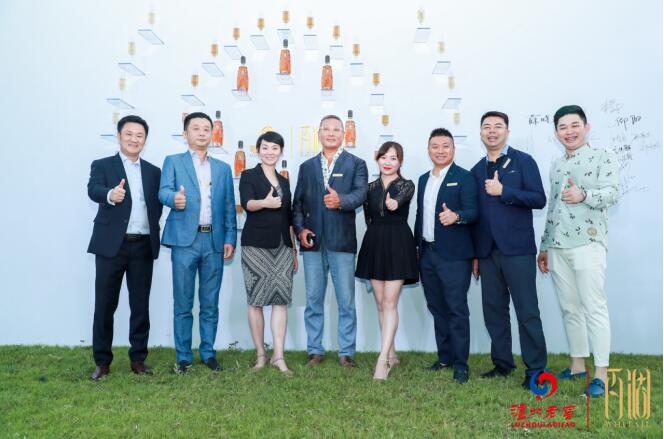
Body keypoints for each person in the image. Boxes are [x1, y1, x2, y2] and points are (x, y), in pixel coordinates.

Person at [538, 105, 620, 397]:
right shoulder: (557, 164)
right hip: (558, 247)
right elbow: (553, 207)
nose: (569, 132)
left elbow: (612, 193)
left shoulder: (603, 156)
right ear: (556, 133)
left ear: (587, 127)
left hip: (588, 243)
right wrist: (544, 246)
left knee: (594, 307)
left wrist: (584, 194)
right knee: (570, 308)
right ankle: (577, 366)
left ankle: (601, 374)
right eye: (563, 127)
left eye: (574, 125)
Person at [470, 111, 548, 389]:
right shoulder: (476, 170)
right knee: (494, 312)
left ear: (507, 131)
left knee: (527, 311)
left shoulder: (523, 161)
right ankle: (502, 364)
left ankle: (536, 369)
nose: (492, 131)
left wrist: (504, 191)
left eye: (498, 126)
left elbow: (539, 199)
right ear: (480, 133)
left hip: (517, 250)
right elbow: (476, 216)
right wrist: (475, 255)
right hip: (487, 253)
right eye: (487, 127)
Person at [159, 112, 237, 374]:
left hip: (213, 241)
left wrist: (230, 238)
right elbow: (163, 191)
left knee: (209, 303)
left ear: (212, 134)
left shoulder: (223, 169)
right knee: (183, 303)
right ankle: (183, 357)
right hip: (184, 242)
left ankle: (208, 353)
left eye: (206, 128)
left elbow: (229, 206)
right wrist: (174, 199)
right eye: (196, 128)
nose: (202, 132)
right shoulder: (173, 162)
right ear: (185, 134)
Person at [87, 115, 163, 380]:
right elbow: (93, 189)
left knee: (140, 306)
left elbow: (156, 206)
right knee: (105, 305)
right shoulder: (102, 165)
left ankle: (138, 359)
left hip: (142, 246)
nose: (134, 139)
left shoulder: (154, 171)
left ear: (145, 139)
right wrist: (110, 194)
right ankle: (102, 362)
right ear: (119, 136)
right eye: (129, 134)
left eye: (139, 135)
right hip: (112, 246)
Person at [292, 114, 368, 368]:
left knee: (346, 301)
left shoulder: (356, 164)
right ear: (319, 134)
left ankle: (346, 352)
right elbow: (298, 204)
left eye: (336, 129)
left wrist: (341, 201)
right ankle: (315, 350)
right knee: (313, 300)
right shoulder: (307, 167)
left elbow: (361, 194)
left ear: (343, 134)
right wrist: (300, 230)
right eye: (326, 129)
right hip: (312, 243)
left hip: (342, 242)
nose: (331, 133)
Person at [414, 128, 478, 384]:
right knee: (437, 307)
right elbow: (420, 216)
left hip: (454, 256)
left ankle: (461, 364)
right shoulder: (423, 179)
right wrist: (416, 248)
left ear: (453, 149)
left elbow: (474, 212)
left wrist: (457, 216)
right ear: (428, 150)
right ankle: (445, 357)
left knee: (456, 309)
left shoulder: (464, 177)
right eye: (435, 146)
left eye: (445, 146)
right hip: (427, 254)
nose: (440, 151)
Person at [356, 141, 418, 380]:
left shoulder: (406, 184)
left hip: (398, 242)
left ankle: (382, 360)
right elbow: (368, 218)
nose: (388, 162)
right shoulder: (369, 187)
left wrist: (394, 203)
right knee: (381, 303)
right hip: (375, 242)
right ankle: (391, 353)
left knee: (390, 302)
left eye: (393, 158)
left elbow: (399, 200)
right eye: (384, 157)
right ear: (378, 159)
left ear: (400, 161)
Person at [239, 131, 297, 375]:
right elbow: (247, 203)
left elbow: (289, 217)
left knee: (280, 300)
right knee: (256, 301)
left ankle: (278, 356)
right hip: (255, 246)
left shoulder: (284, 181)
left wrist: (293, 250)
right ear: (258, 150)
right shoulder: (249, 175)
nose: (270, 152)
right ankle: (261, 355)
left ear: (281, 151)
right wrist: (265, 203)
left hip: (282, 247)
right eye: (265, 147)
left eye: (275, 148)